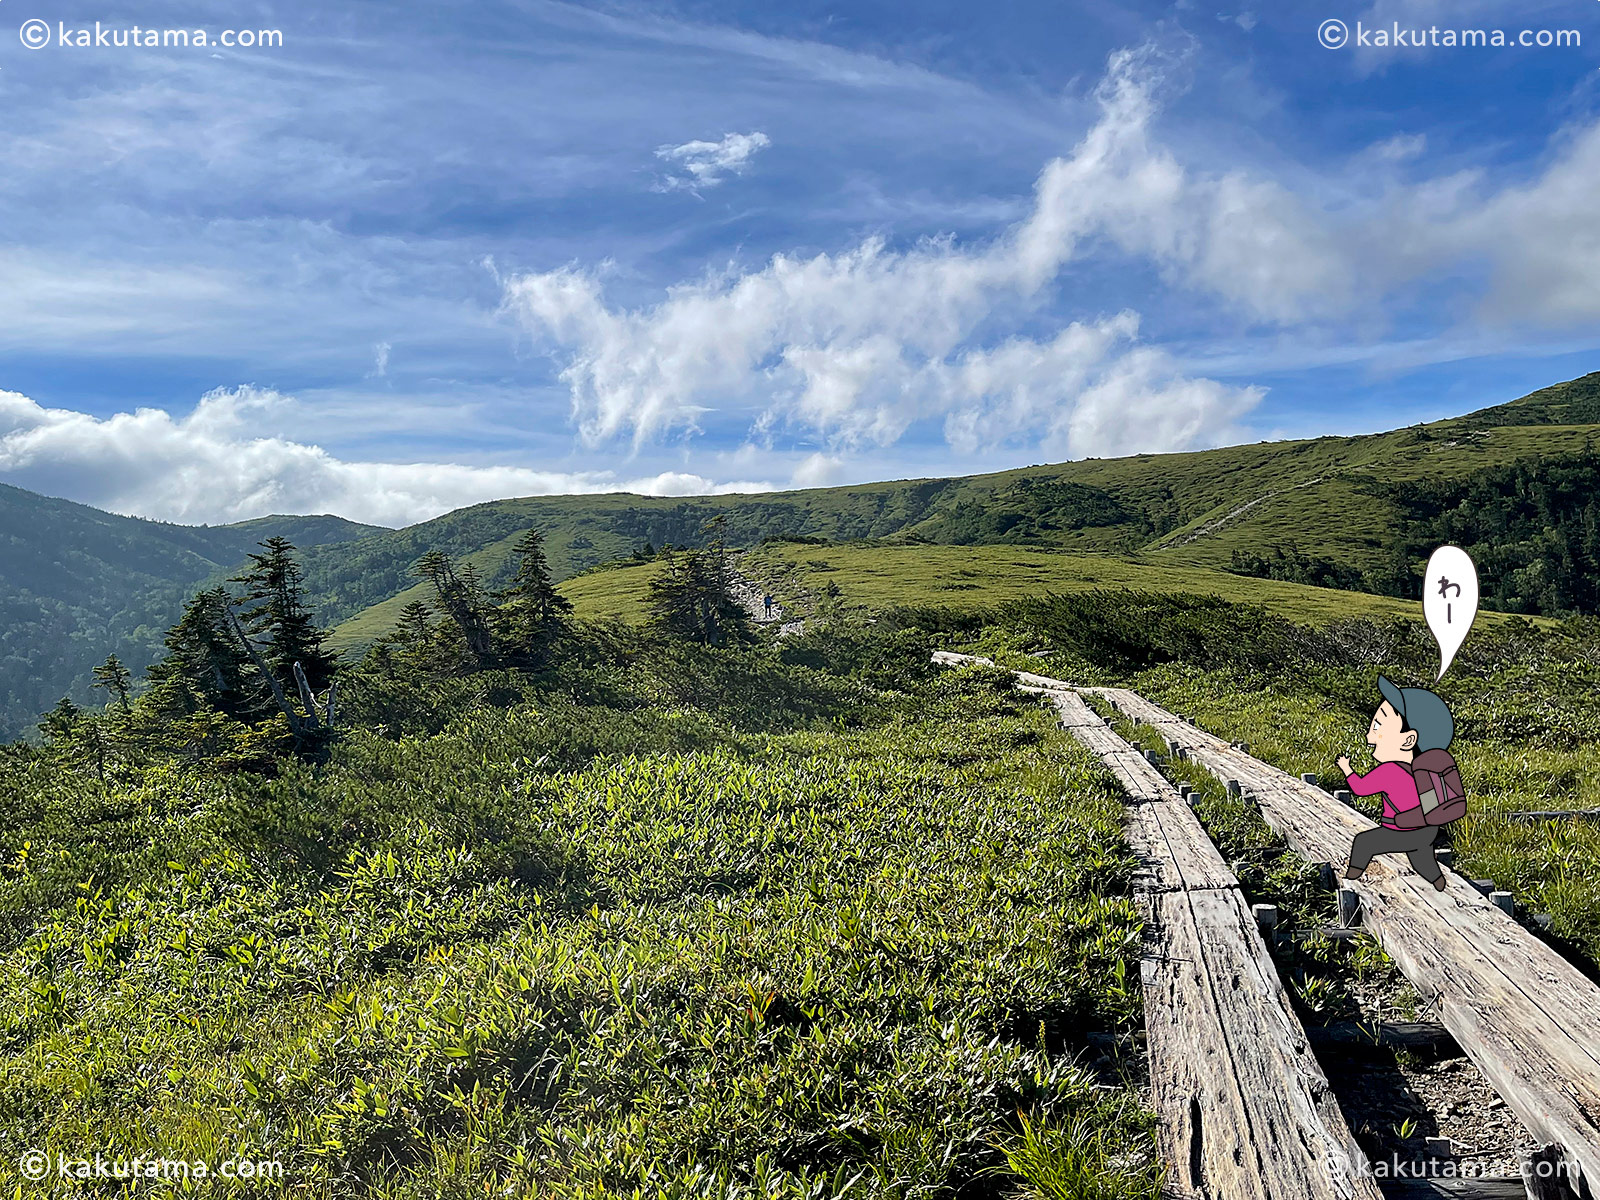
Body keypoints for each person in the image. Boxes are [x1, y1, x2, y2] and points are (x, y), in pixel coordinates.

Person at [1339, 675, 1465, 893]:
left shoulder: (1388, 771)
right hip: (1427, 829)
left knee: (1363, 842)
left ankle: (1350, 879)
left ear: (1408, 740)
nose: (1370, 735)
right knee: (1421, 859)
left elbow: (1360, 789)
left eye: (1377, 726)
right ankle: (1437, 880)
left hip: (1402, 830)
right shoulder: (1423, 771)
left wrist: (1346, 769)